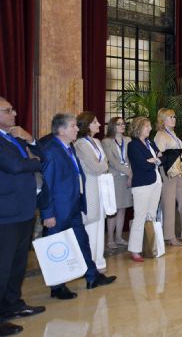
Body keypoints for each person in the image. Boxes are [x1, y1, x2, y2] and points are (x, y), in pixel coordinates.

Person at [41, 113, 116, 299]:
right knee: (57, 246)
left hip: (74, 204)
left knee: (82, 241)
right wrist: (47, 213)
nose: (77, 129)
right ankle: (57, 287)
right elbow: (46, 184)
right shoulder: (51, 150)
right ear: (61, 130)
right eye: (73, 126)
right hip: (58, 208)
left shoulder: (69, 147)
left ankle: (92, 276)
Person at [0, 97, 46, 335]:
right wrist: (34, 162)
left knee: (18, 263)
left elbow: (44, 156)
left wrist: (30, 140)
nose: (14, 114)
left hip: (25, 209)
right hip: (6, 213)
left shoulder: (15, 136)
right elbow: (15, 166)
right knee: (3, 266)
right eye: (8, 111)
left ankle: (13, 304)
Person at [154, 108, 182, 246]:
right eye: (170, 117)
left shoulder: (173, 134)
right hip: (168, 172)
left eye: (174, 117)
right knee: (169, 202)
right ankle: (169, 235)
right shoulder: (160, 135)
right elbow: (159, 155)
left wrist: (181, 154)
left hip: (179, 170)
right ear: (162, 120)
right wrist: (179, 153)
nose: (174, 119)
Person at [74, 112, 109, 271]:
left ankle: (99, 260)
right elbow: (96, 167)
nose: (99, 124)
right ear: (86, 125)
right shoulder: (81, 144)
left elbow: (103, 163)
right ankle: (89, 263)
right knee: (91, 224)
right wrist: (103, 164)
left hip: (100, 186)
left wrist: (102, 164)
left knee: (100, 224)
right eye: (95, 122)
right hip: (89, 187)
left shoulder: (97, 141)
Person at [127, 117, 163, 262]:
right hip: (142, 184)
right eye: (147, 126)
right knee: (140, 216)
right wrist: (153, 161)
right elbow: (140, 165)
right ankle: (134, 250)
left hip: (156, 181)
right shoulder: (133, 145)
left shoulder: (150, 142)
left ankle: (150, 246)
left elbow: (162, 158)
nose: (150, 129)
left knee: (151, 215)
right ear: (138, 128)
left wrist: (154, 160)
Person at [102, 117, 133, 249]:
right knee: (113, 210)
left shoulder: (128, 140)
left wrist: (130, 174)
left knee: (122, 209)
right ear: (112, 126)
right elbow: (113, 161)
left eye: (123, 124)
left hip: (127, 178)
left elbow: (132, 159)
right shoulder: (106, 141)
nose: (122, 126)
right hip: (114, 178)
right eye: (118, 124)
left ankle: (119, 237)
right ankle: (110, 239)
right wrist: (129, 172)